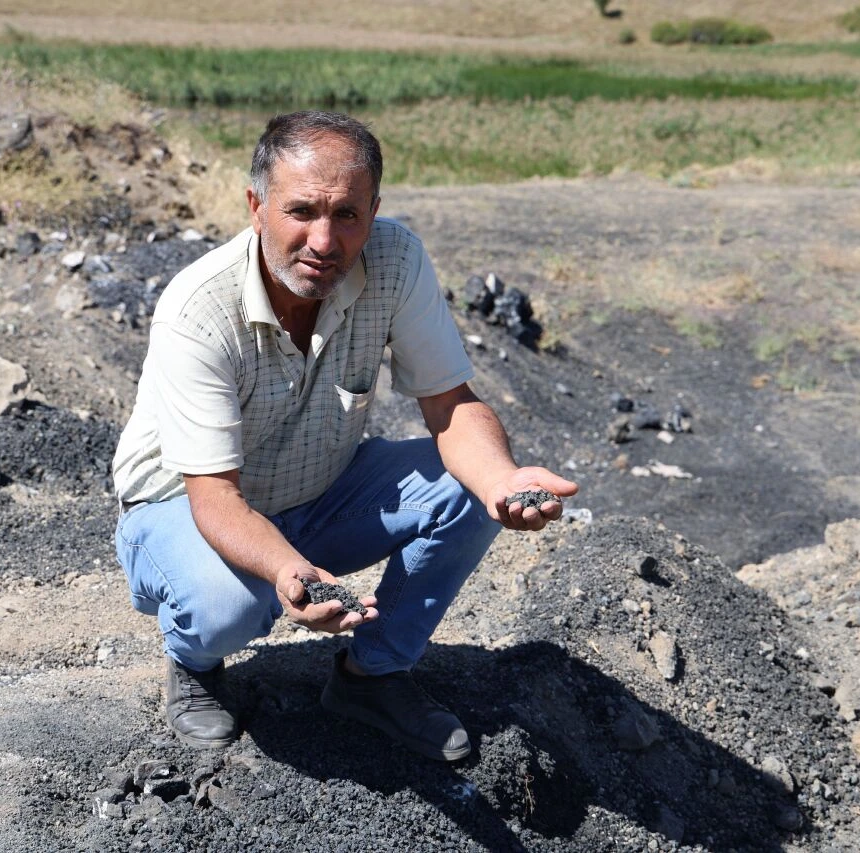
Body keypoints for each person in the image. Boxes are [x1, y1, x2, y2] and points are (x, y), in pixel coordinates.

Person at [112, 110, 576, 762]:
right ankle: (194, 664)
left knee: (469, 488)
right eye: (301, 211)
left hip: (314, 493)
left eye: (348, 215)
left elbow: (451, 404)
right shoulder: (200, 311)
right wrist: (290, 572)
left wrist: (501, 480)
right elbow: (214, 496)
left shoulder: (395, 259)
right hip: (183, 510)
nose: (324, 240)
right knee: (229, 605)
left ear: (374, 211)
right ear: (256, 207)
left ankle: (371, 676)